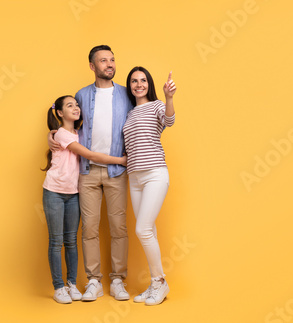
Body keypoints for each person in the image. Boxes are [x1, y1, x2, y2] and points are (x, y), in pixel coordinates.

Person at [48, 45, 133, 302]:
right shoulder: (82, 95)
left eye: (112, 59)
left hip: (117, 170)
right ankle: (94, 280)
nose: (109, 64)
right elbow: (68, 123)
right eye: (103, 60)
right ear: (92, 66)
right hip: (86, 171)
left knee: (119, 227)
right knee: (89, 229)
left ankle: (118, 280)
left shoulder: (127, 95)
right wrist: (51, 133)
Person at [42, 95, 127, 304]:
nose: (76, 108)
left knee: (71, 240)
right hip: (54, 191)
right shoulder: (61, 134)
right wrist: (121, 160)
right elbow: (89, 155)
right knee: (56, 241)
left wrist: (49, 135)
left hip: (73, 193)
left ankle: (71, 283)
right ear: (60, 113)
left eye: (77, 104)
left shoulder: (79, 133)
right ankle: (59, 287)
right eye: (70, 105)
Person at [123, 66, 176, 306]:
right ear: (130, 86)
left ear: (149, 83)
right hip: (134, 178)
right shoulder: (130, 113)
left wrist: (169, 98)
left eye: (143, 80)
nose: (138, 84)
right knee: (149, 230)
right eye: (134, 81)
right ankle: (155, 284)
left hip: (155, 174)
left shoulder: (156, 106)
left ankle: (159, 282)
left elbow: (170, 120)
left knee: (142, 230)